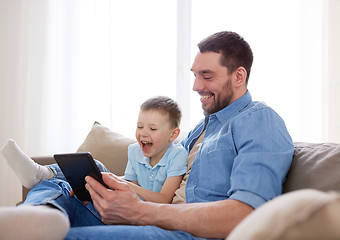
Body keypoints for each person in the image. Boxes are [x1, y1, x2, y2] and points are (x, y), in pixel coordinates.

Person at [1, 31, 294, 240]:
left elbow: (244, 214)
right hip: (156, 220)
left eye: (207, 76)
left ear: (239, 76)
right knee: (61, 188)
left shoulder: (260, 120)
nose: (195, 86)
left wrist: (140, 211)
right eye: (194, 74)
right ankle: (37, 211)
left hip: (187, 234)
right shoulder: (202, 129)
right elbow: (165, 185)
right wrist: (126, 195)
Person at [1, 96, 187, 203]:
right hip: (126, 199)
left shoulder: (177, 155)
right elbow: (131, 184)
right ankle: (44, 174)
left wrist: (118, 182)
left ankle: (42, 175)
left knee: (99, 171)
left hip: (143, 209)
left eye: (152, 129)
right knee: (75, 179)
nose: (143, 134)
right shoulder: (134, 150)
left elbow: (163, 199)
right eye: (139, 126)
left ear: (173, 134)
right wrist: (111, 180)